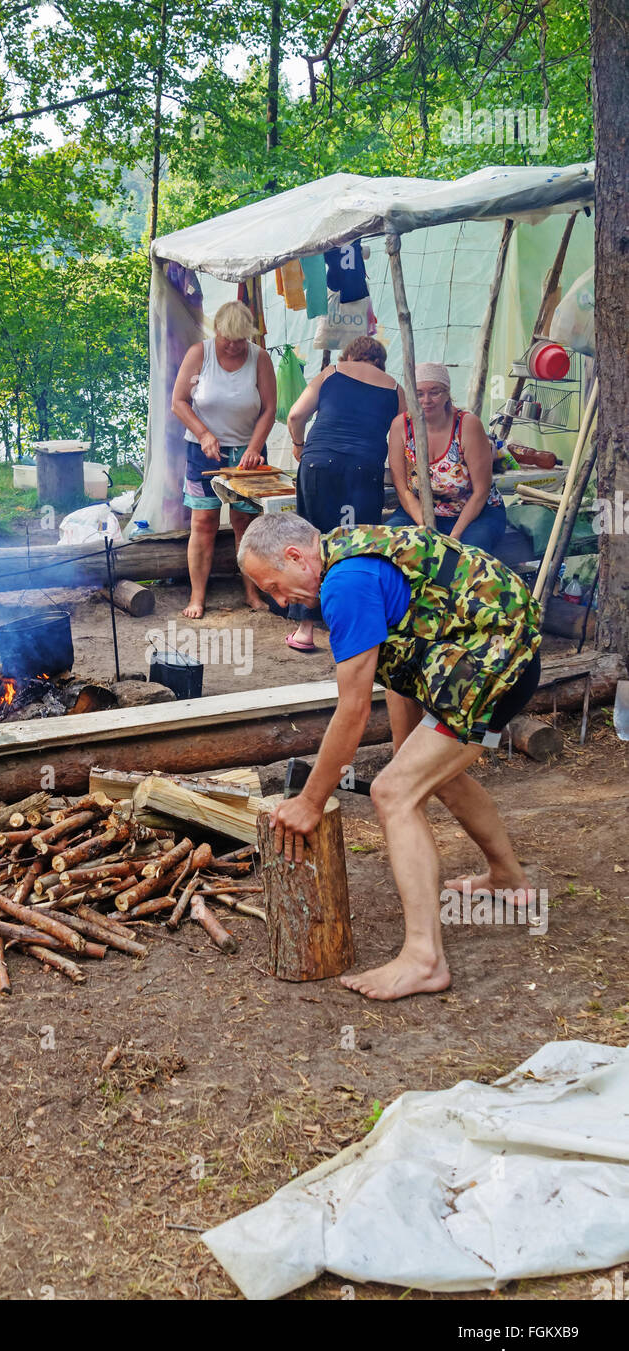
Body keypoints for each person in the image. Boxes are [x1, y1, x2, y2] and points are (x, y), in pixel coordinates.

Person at [237, 511, 542, 1002]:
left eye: (274, 585)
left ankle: (425, 959)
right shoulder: (353, 552)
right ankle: (507, 879)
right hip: (489, 652)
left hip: (493, 663)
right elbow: (405, 655)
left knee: (392, 792)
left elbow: (353, 710)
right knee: (419, 776)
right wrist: (405, 753)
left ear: (295, 557)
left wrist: (310, 802)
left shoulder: (346, 584)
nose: (279, 601)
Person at [284, 336, 404, 652]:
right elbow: (405, 435)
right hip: (363, 470)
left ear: (348, 355)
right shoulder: (394, 388)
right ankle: (354, 628)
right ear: (381, 361)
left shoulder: (332, 372)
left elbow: (296, 416)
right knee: (356, 544)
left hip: (318, 463)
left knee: (313, 540)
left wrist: (299, 445)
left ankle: (305, 630)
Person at [171, 301, 277, 619]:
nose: (233, 345)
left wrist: (255, 447)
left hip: (248, 455)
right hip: (202, 452)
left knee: (246, 523)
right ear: (216, 331)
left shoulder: (260, 357)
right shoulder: (199, 354)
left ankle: (251, 592)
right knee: (203, 523)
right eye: (227, 339)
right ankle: (197, 597)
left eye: (240, 340)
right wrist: (204, 434)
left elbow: (270, 408)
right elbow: (179, 402)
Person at [387, 362, 506, 551]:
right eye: (419, 394)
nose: (426, 400)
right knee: (391, 543)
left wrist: (453, 538)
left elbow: (480, 491)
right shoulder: (401, 426)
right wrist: (426, 527)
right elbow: (403, 490)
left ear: (447, 394)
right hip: (422, 513)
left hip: (475, 514)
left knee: (466, 555)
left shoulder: (467, 425)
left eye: (435, 392)